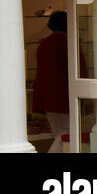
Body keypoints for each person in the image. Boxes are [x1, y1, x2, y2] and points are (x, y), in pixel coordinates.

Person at [33, 11, 72, 152]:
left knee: (59, 133)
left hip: (48, 98)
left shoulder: (43, 45)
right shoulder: (69, 44)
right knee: (67, 134)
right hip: (66, 96)